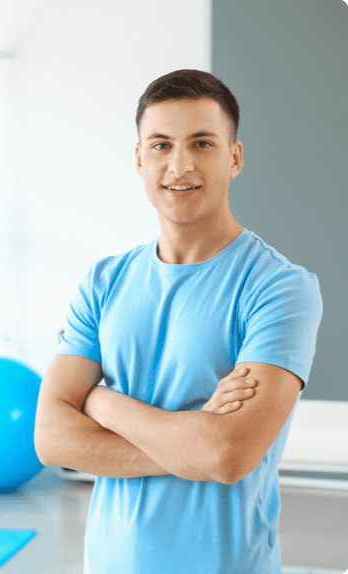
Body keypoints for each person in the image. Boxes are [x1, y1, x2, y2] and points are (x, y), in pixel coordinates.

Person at [34, 69, 323, 573]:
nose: (180, 164)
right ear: (140, 159)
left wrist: (100, 401)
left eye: (202, 143)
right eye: (162, 145)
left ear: (234, 157)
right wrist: (189, 440)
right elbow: (51, 438)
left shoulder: (280, 287)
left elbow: (228, 454)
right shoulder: (104, 282)